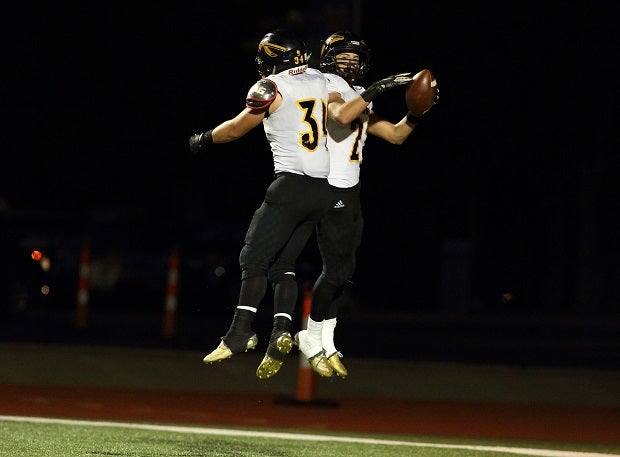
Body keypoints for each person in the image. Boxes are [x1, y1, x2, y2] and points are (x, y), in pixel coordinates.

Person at [264, 31, 439, 379]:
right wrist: (379, 87)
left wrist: (416, 112)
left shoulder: (357, 93)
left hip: (350, 188)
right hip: (324, 186)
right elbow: (340, 115)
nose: (349, 63)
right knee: (326, 269)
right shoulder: (324, 81)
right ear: (328, 58)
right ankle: (310, 337)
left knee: (342, 273)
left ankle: (323, 340)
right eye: (342, 56)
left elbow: (394, 135)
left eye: (354, 59)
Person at [189, 29, 335, 374]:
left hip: (291, 186)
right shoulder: (318, 78)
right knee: (283, 267)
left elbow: (238, 129)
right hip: (324, 190)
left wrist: (204, 138)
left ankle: (239, 334)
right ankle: (280, 332)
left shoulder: (270, 87)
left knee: (251, 258)